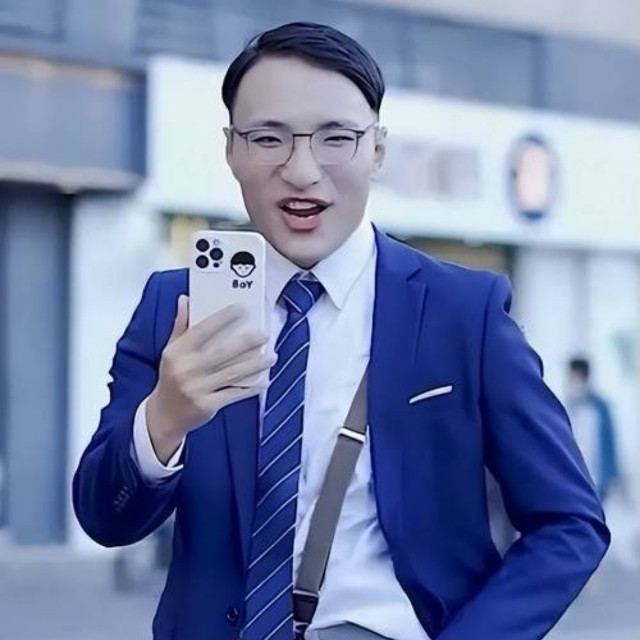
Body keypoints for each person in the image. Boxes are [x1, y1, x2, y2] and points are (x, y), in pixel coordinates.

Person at [73, 22, 609, 640]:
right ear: (231, 150)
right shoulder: (176, 305)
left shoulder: (464, 312)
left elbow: (569, 522)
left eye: (336, 138)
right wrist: (164, 420)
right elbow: (104, 516)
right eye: (268, 138)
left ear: (377, 149)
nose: (302, 171)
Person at [566, 357, 621, 502]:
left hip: (597, 477)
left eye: (575, 377)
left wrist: (612, 475)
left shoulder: (599, 408)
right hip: (577, 476)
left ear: (584, 377)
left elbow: (609, 443)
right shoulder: (569, 407)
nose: (572, 382)